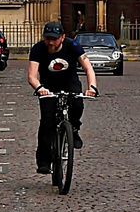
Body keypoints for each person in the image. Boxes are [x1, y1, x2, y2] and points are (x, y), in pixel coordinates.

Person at [28, 20, 98, 174]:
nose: (51, 42)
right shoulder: (38, 49)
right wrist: (40, 89)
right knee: (47, 123)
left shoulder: (73, 46)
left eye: (54, 38)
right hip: (48, 87)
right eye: (48, 38)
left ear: (62, 37)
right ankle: (44, 161)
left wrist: (92, 87)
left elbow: (88, 68)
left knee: (77, 104)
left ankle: (73, 129)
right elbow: (32, 76)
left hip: (69, 83)